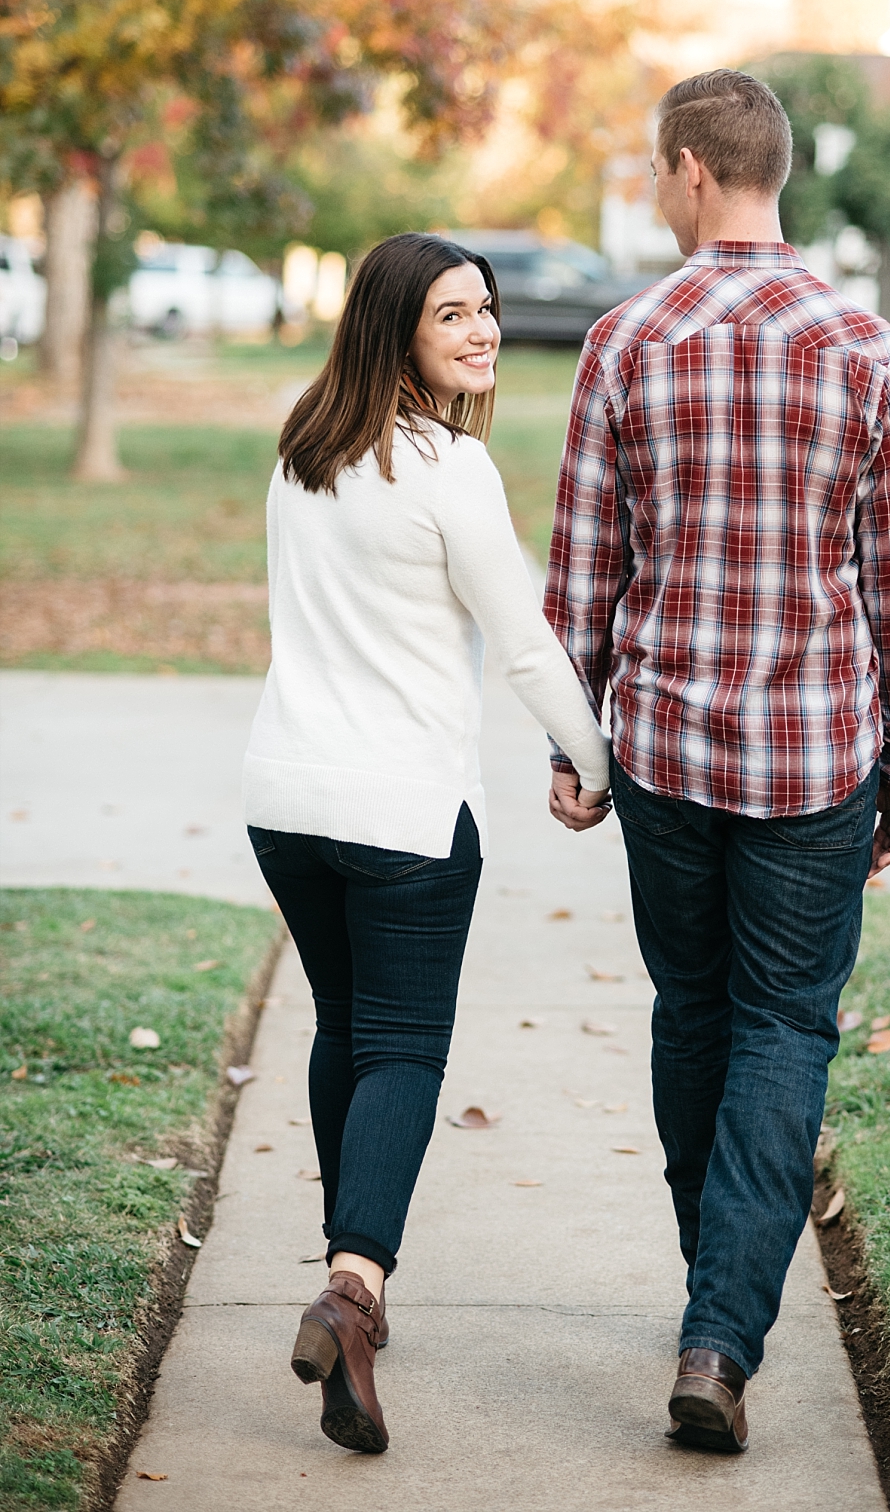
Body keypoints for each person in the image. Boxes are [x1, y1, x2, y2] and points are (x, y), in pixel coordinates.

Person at [543, 70, 890, 1453]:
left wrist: (573, 741)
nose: (656, 192)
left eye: (659, 172)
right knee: (785, 1028)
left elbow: (584, 571)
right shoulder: (863, 344)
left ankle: (713, 1294)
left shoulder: (626, 340)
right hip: (814, 752)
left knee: (693, 1012)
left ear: (696, 169)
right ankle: (722, 1334)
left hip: (661, 746)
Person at [243, 232, 610, 1456]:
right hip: (403, 814)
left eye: (488, 310)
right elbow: (521, 644)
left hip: (288, 801)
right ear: (395, 326)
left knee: (346, 1028)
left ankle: (351, 1279)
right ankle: (352, 1289)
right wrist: (596, 759)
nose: (483, 330)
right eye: (452, 313)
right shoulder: (447, 466)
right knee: (402, 1045)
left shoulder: (305, 443)